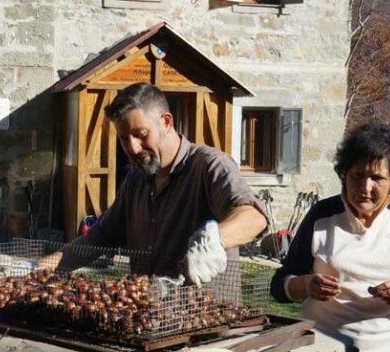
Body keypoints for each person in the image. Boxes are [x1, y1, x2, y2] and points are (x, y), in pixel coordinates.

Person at [55, 82, 268, 286]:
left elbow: (254, 217)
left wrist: (215, 240)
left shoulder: (210, 166)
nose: (134, 148)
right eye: (123, 139)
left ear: (166, 122)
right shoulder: (136, 179)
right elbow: (98, 238)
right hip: (149, 316)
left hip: (205, 316)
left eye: (141, 134)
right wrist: (37, 267)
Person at [270, 122, 390, 352]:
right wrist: (306, 284)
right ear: (344, 174)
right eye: (357, 175)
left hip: (389, 346)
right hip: (320, 343)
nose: (365, 187)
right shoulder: (322, 215)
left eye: (377, 178)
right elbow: (280, 286)